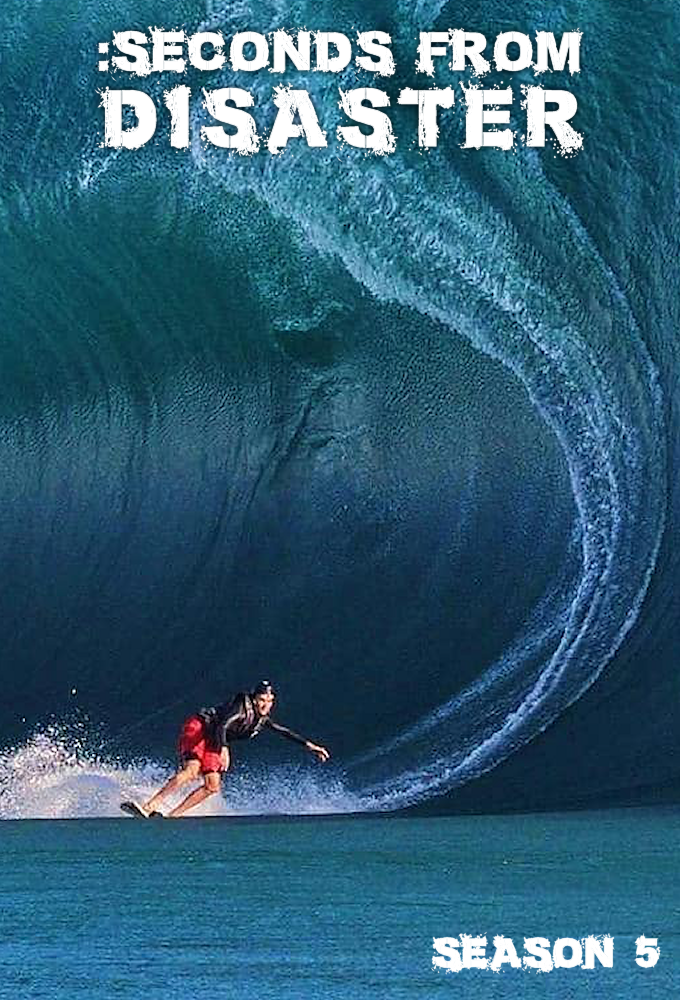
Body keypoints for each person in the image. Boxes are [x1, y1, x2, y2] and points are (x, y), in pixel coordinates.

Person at [138, 681, 330, 818]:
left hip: (214, 739)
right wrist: (224, 749)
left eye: (270, 700)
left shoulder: (261, 719)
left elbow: (283, 731)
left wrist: (311, 746)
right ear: (254, 699)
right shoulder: (241, 707)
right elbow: (223, 725)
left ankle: (174, 815)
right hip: (200, 728)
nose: (266, 704)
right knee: (191, 771)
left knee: (212, 786)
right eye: (262, 699)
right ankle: (149, 806)